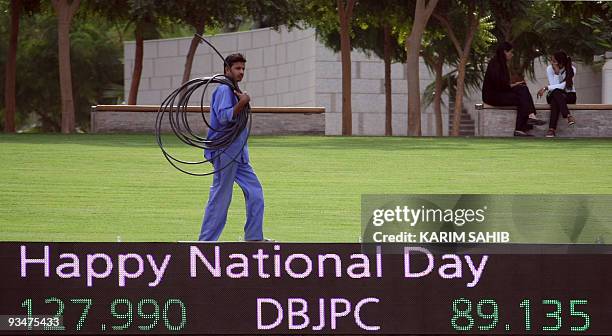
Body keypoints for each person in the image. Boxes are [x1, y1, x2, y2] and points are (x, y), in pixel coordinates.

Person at [199, 53, 268, 241]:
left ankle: (254, 238)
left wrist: (242, 100)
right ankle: (206, 243)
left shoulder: (234, 91)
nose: (241, 72)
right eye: (237, 68)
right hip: (225, 151)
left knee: (256, 193)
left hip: (239, 153)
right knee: (221, 197)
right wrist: (244, 102)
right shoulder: (223, 90)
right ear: (227, 70)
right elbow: (224, 117)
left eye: (243, 69)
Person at [482, 42, 545, 136]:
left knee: (523, 89)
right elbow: (500, 86)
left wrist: (515, 85)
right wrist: (514, 85)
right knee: (521, 97)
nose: (512, 54)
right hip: (492, 96)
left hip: (500, 92)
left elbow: (503, 85)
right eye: (510, 52)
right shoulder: (495, 64)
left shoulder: (501, 63)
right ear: (504, 52)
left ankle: (530, 117)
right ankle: (523, 125)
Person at [537, 51, 577, 137]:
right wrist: (556, 72)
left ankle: (551, 130)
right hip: (553, 94)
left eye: (554, 61)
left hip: (569, 95)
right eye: (551, 60)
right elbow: (554, 86)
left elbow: (563, 86)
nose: (551, 63)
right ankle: (568, 115)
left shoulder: (572, 69)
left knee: (556, 99)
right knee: (556, 93)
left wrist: (545, 88)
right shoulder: (549, 69)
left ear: (561, 62)